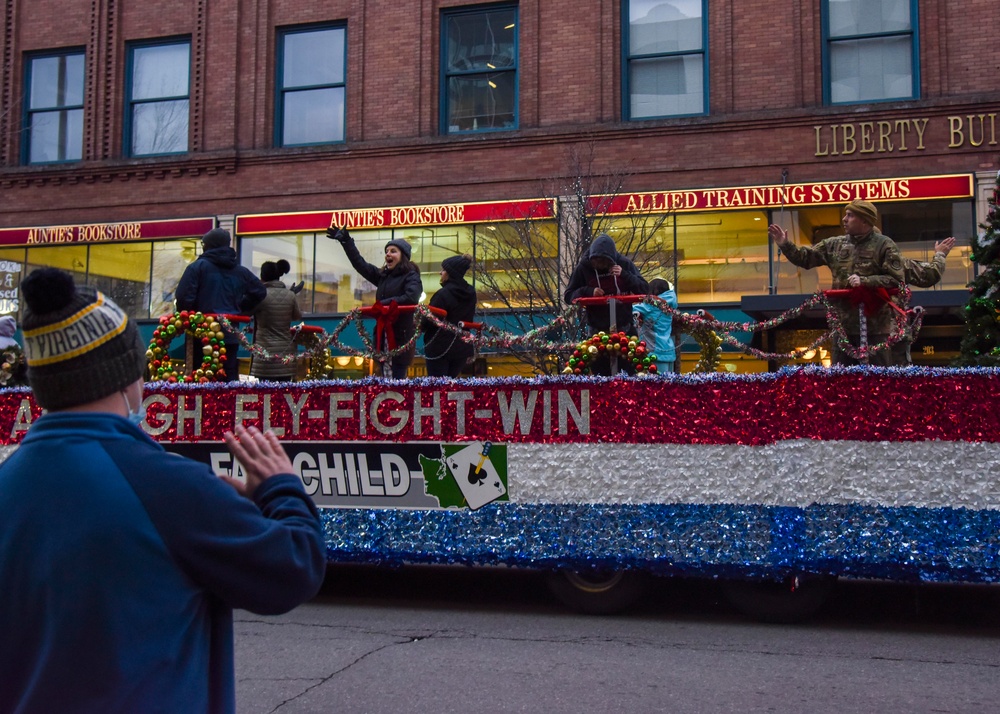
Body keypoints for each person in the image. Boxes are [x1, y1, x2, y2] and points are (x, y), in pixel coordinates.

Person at [0, 268, 326, 714]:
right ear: (128, 375)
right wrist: (280, 488)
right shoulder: (166, 485)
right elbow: (293, 568)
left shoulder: (10, 482)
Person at [769, 200, 906, 366]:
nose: (844, 219)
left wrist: (866, 281)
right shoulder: (834, 244)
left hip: (875, 328)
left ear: (865, 220)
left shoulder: (884, 245)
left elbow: (897, 280)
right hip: (843, 327)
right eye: (845, 215)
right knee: (840, 380)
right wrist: (785, 244)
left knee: (879, 380)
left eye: (850, 215)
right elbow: (805, 258)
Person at [327, 225, 422, 378]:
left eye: (393, 251)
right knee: (384, 371)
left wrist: (385, 304)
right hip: (382, 334)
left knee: (397, 374)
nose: (387, 254)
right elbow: (361, 265)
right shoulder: (383, 276)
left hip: (400, 335)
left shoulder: (411, 276)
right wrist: (347, 242)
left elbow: (411, 297)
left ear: (403, 256)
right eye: (386, 251)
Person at [175, 227, 267, 379]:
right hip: (230, 333)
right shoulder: (240, 271)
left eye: (203, 244)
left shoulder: (197, 268)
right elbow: (260, 292)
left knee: (200, 380)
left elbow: (184, 298)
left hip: (201, 334)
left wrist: (192, 316)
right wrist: (239, 309)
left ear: (209, 246)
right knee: (228, 379)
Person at [564, 232, 649, 375]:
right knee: (600, 377)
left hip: (625, 330)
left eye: (605, 263)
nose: (601, 266)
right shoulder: (583, 268)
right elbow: (568, 296)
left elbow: (644, 289)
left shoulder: (624, 264)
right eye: (597, 263)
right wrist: (589, 291)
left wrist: (625, 275)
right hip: (597, 332)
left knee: (630, 375)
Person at [424, 254, 477, 378]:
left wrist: (418, 324)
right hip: (462, 347)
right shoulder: (471, 293)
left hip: (439, 347)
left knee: (437, 388)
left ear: (450, 273)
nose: (440, 273)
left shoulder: (443, 294)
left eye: (443, 270)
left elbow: (430, 320)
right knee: (451, 386)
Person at [251, 259, 303, 382]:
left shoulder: (260, 294)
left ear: (262, 276)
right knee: (283, 393)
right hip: (285, 355)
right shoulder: (290, 295)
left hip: (264, 354)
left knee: (265, 395)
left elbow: (245, 310)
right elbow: (297, 316)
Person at [633, 277, 679, 373]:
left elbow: (629, 310)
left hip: (655, 350)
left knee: (656, 385)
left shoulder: (651, 306)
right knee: (669, 384)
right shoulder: (670, 305)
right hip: (668, 349)